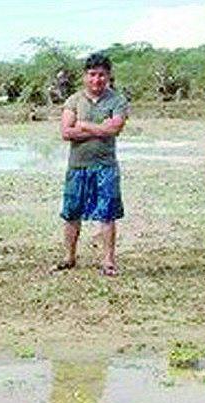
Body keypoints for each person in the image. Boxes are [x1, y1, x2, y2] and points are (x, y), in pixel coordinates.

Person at [53, 52, 129, 277]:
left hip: (106, 166)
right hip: (77, 166)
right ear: (85, 76)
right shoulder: (74, 100)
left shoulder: (117, 100)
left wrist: (83, 125)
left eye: (102, 75)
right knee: (71, 213)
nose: (97, 80)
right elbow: (66, 132)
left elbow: (114, 129)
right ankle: (69, 257)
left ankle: (108, 261)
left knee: (107, 214)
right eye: (93, 75)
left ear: (109, 76)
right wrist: (100, 129)